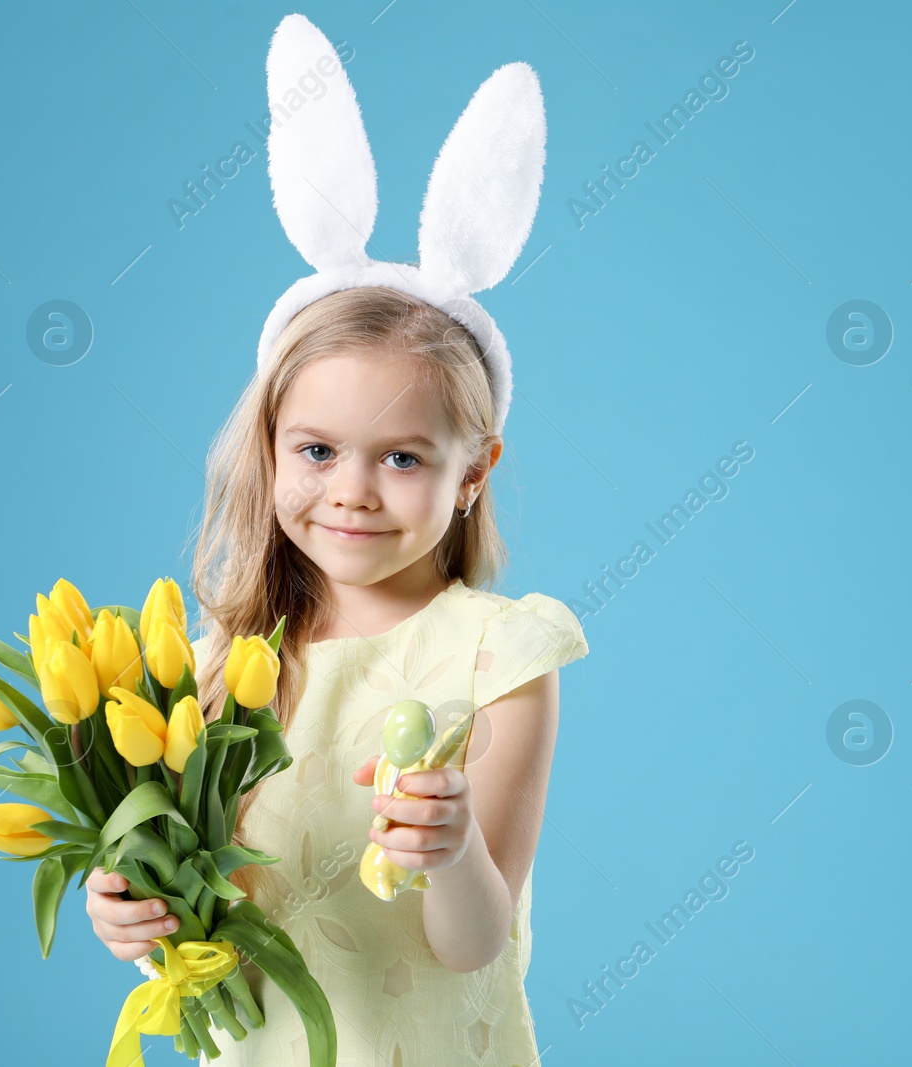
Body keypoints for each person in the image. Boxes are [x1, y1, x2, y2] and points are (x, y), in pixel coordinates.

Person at [83, 13, 581, 1061]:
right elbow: (205, 904)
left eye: (401, 457)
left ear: (471, 474)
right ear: (268, 448)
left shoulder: (499, 658)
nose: (351, 492)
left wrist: (449, 849)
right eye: (316, 450)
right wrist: (131, 908)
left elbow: (472, 943)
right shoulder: (221, 657)